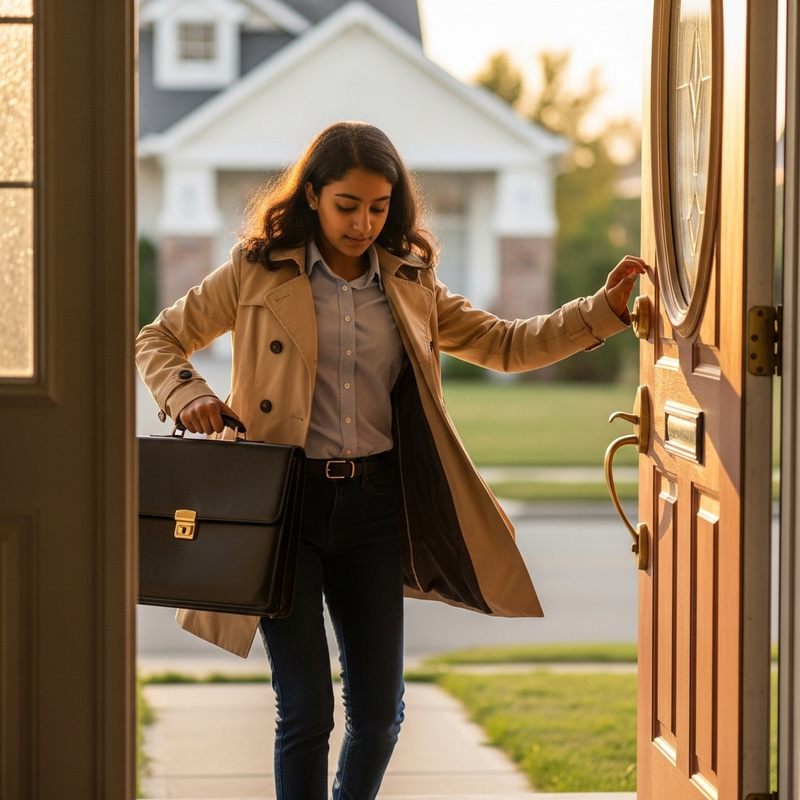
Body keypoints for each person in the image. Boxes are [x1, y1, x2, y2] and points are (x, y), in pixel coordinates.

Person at [136, 120, 647, 800]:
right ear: (313, 195)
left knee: (379, 714)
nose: (363, 223)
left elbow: (504, 344)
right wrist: (189, 393)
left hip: (375, 508)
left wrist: (602, 313)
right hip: (281, 509)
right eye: (348, 205)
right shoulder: (255, 271)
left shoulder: (410, 280)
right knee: (307, 710)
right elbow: (160, 337)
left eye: (379, 207)